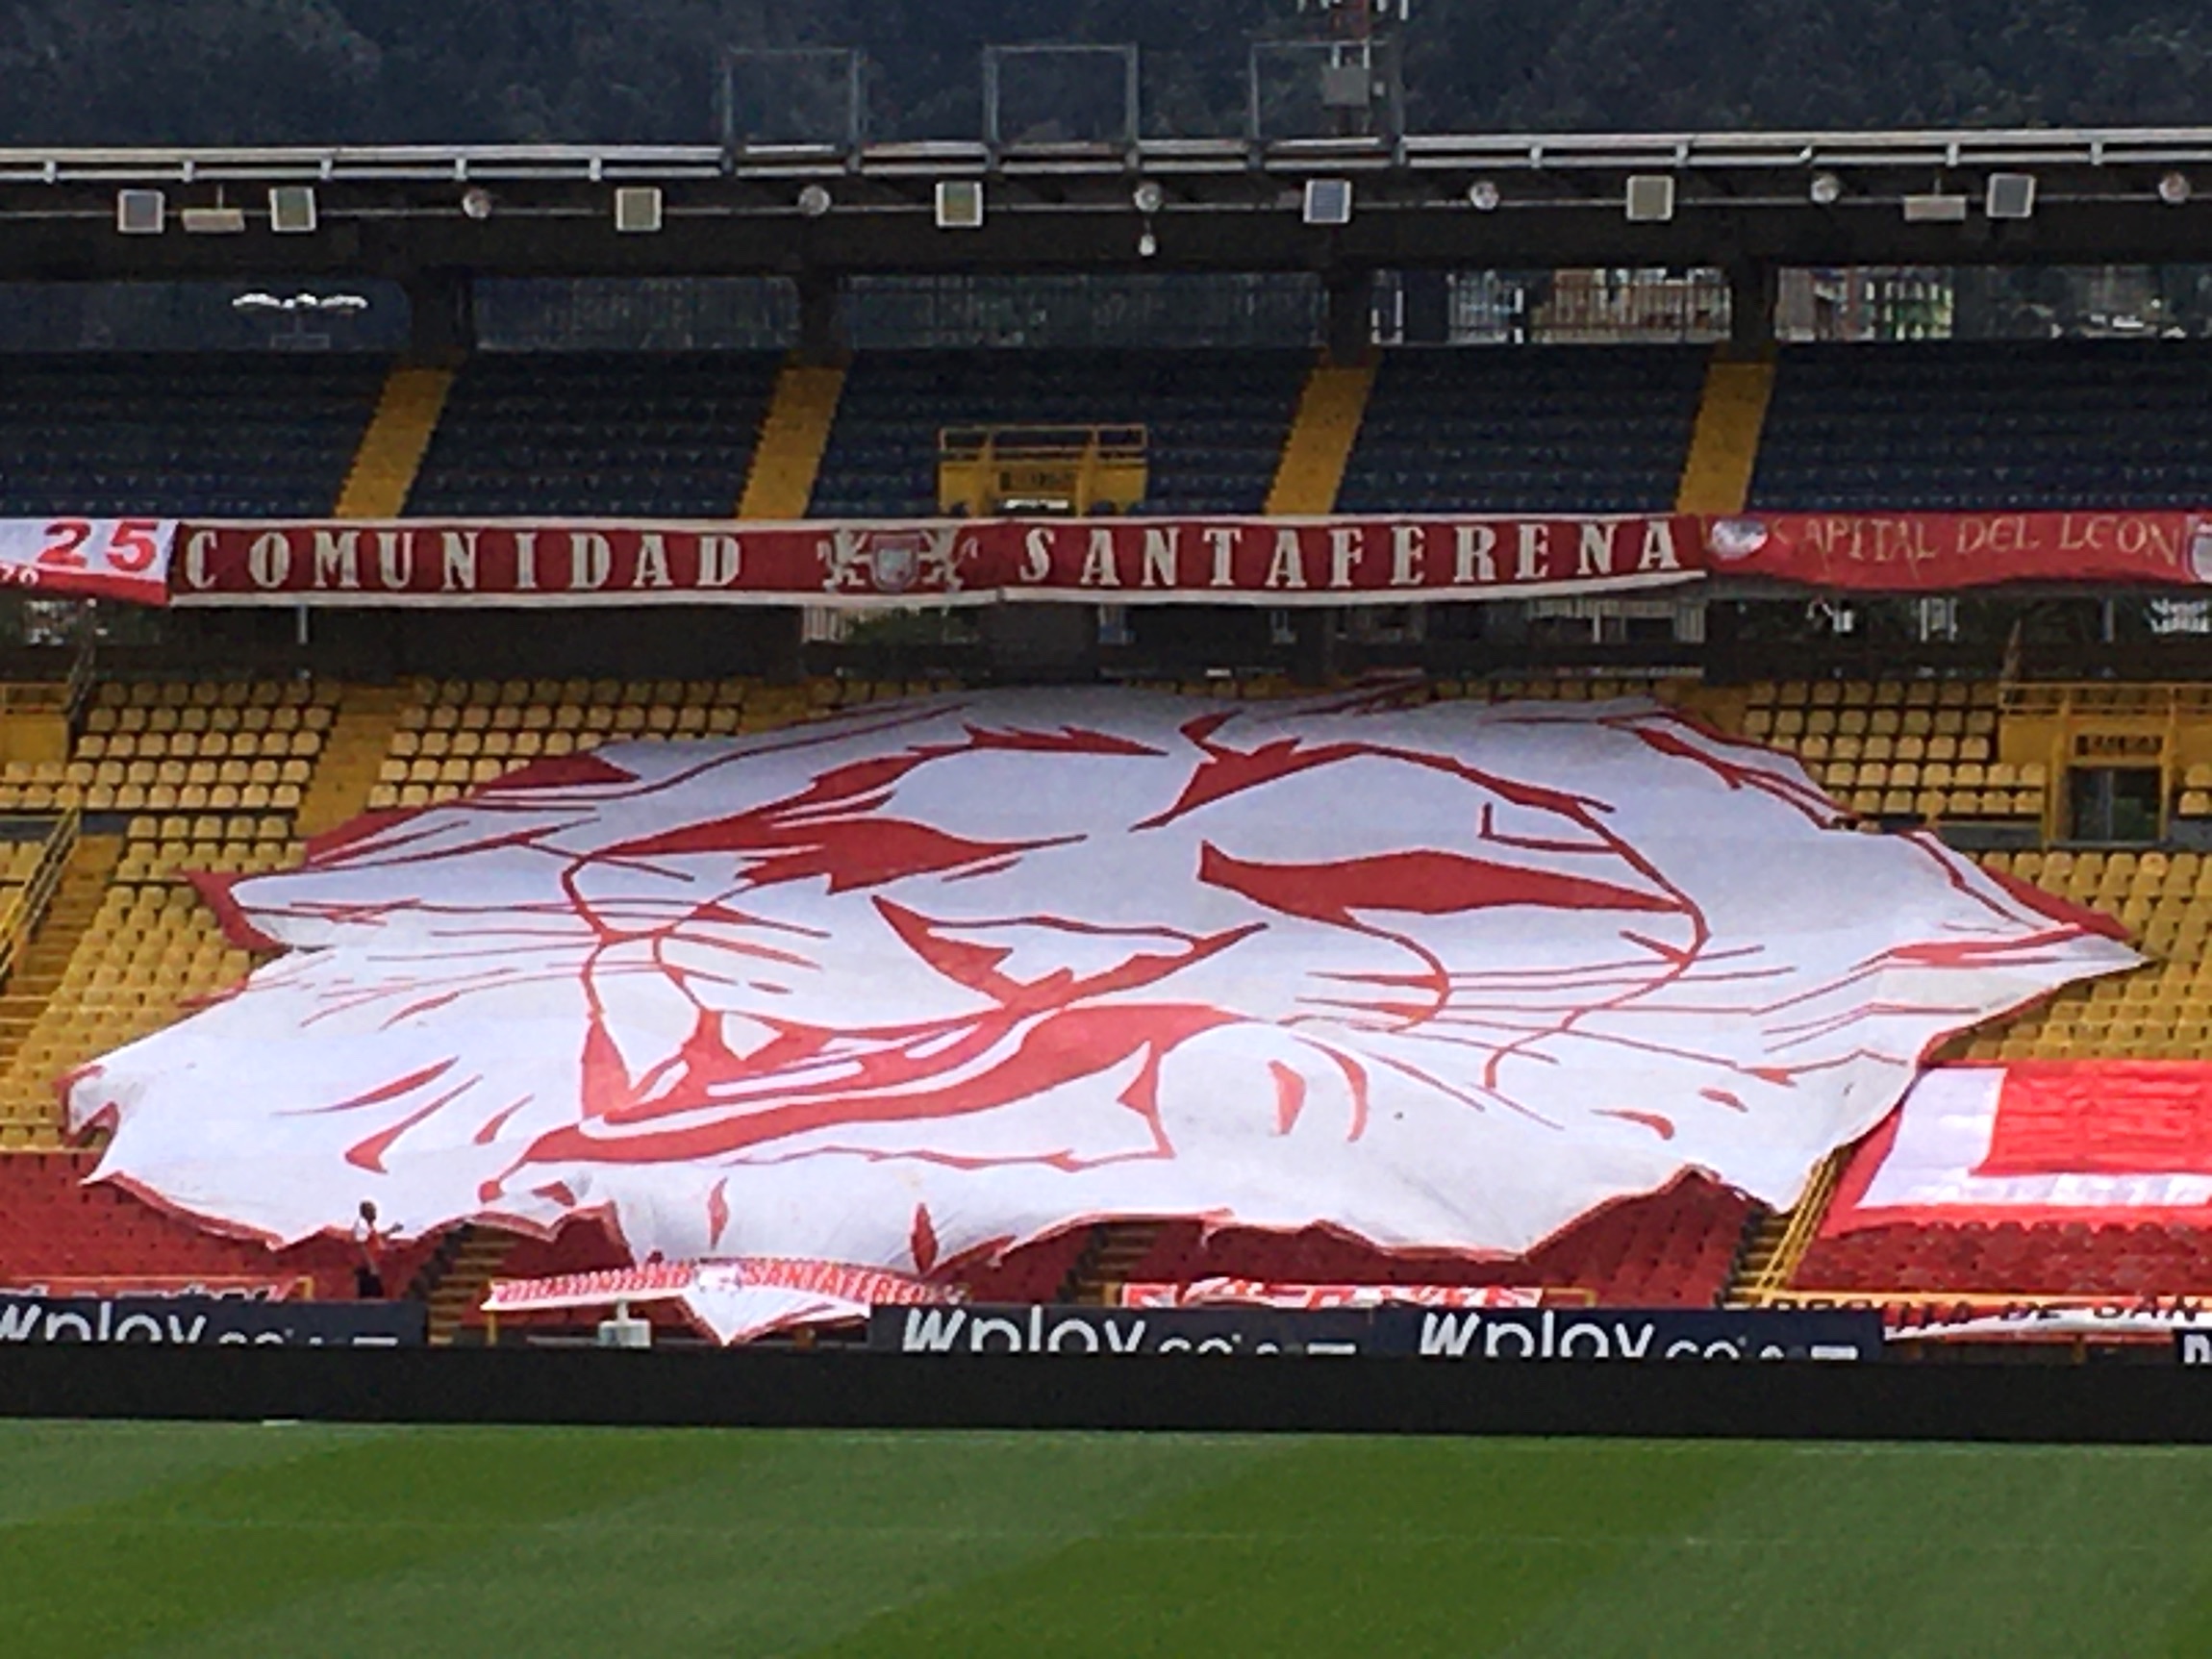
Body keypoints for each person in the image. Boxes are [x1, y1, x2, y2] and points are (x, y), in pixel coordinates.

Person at [352, 1200, 389, 1299]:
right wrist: (371, 1264)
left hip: (371, 1266)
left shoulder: (370, 1227)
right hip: (367, 1268)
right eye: (372, 1211)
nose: (375, 1214)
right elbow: (362, 1246)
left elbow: (375, 1238)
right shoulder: (362, 1225)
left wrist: (391, 1231)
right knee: (371, 1295)